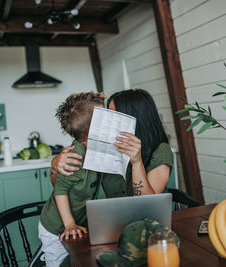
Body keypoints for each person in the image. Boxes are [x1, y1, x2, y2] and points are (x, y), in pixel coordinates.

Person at [50, 88, 173, 198]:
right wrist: (55, 167)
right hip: (113, 216)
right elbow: (60, 185)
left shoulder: (161, 150)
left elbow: (147, 204)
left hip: (147, 220)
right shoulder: (99, 142)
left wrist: (137, 163)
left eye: (114, 114)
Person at [38, 91, 106, 266]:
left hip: (78, 224)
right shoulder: (74, 158)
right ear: (94, 128)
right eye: (106, 117)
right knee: (59, 262)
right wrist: (69, 224)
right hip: (57, 228)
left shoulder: (94, 150)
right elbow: (60, 191)